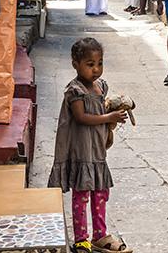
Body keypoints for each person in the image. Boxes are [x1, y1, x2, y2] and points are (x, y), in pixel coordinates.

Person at [48, 38, 131, 253]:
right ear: (75, 64)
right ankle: (81, 238)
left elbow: (103, 107)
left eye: (100, 63)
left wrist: (116, 109)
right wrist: (108, 117)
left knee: (100, 193)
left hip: (97, 151)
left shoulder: (100, 86)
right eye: (90, 64)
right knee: (81, 195)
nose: (96, 69)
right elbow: (81, 117)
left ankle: (100, 235)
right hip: (81, 151)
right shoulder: (74, 90)